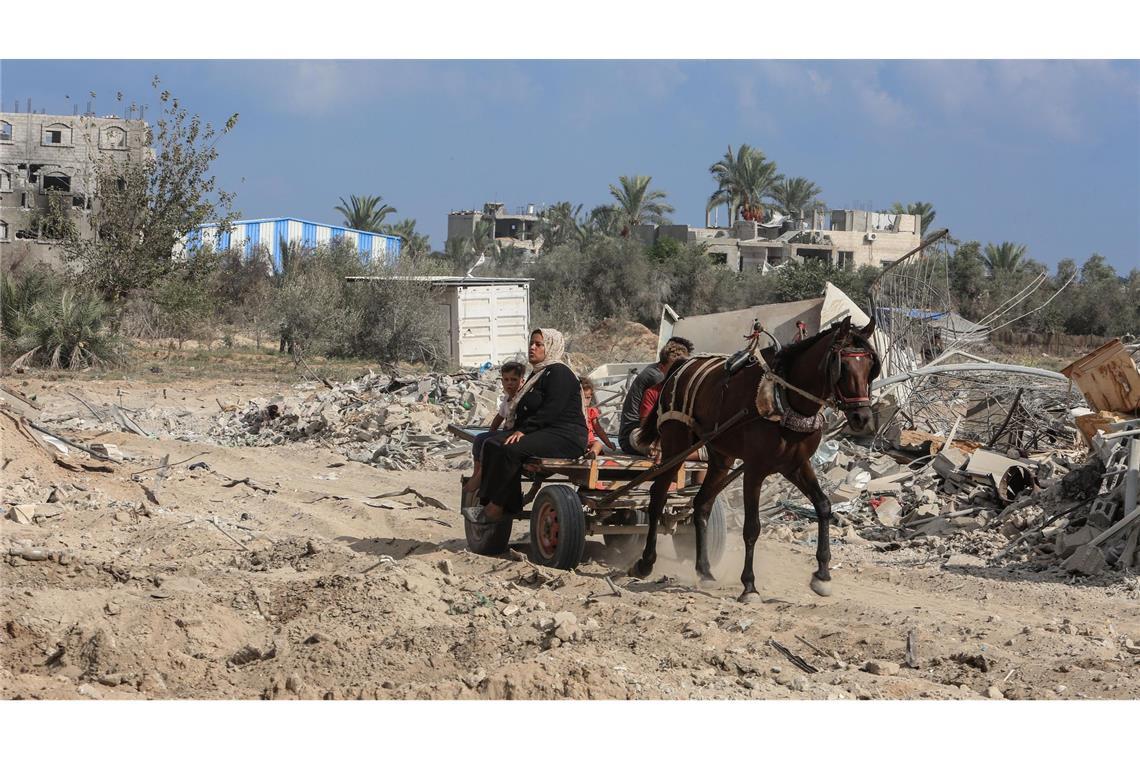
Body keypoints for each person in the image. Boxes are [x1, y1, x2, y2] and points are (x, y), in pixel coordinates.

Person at [463, 329, 588, 524]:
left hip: (566, 436)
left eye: (539, 344)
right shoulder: (539, 374)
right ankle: (490, 500)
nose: (532, 347)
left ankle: (497, 507)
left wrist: (524, 430)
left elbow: (552, 409)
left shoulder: (559, 372)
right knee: (492, 443)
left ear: (552, 347)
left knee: (511, 449)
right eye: (532, 343)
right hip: (546, 432)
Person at [618, 337, 694, 456]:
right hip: (637, 432)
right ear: (663, 367)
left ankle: (673, 452)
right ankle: (674, 452)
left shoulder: (665, 376)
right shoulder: (656, 377)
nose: (678, 372)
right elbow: (646, 423)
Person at [464, 360, 526, 493]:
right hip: (507, 432)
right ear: (502, 381)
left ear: (522, 381)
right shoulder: (507, 398)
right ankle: (477, 473)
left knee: (486, 442)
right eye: (506, 379)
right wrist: (491, 432)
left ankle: (482, 476)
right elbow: (499, 417)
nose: (509, 383)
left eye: (514, 379)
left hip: (517, 434)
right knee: (481, 439)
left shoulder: (523, 398)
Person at [580, 376, 615, 458]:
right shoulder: (572, 412)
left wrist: (608, 443)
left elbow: (598, 429)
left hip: (589, 442)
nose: (585, 401)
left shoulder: (591, 412)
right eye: (582, 398)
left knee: (598, 444)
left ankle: (592, 454)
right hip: (576, 440)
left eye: (588, 398)